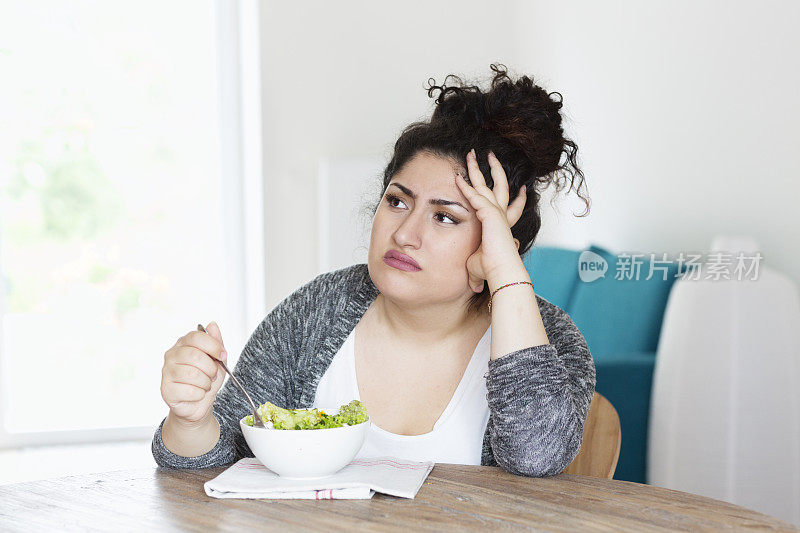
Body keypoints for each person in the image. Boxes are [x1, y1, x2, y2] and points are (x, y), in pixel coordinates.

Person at [153, 63, 595, 477]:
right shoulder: (319, 311)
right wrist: (190, 421)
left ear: (496, 245)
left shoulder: (551, 339)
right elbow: (216, 467)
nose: (404, 234)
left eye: (445, 217)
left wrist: (505, 274)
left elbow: (537, 456)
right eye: (398, 201)